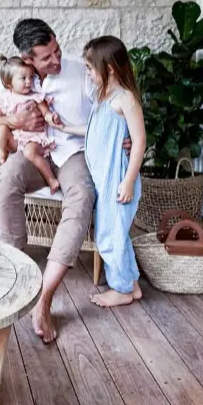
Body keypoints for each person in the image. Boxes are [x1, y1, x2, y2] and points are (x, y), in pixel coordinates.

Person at [0, 18, 100, 343]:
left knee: (83, 194)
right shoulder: (9, 76)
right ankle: (11, 269)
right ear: (27, 60)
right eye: (47, 58)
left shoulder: (79, 71)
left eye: (57, 50)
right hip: (31, 151)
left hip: (72, 151)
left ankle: (44, 297)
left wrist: (124, 135)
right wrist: (12, 119)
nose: (56, 60)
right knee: (7, 178)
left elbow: (107, 109)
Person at [56, 36, 145, 308]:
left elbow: (139, 141)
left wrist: (129, 181)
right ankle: (132, 285)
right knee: (116, 233)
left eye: (89, 68)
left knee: (109, 236)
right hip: (104, 180)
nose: (87, 73)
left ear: (109, 69)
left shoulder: (125, 99)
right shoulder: (102, 97)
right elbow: (95, 130)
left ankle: (121, 290)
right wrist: (65, 128)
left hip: (118, 179)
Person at [0, 54, 63, 193]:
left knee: (29, 153)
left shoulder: (35, 96)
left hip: (33, 139)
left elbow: (45, 112)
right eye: (23, 78)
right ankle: (2, 157)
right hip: (16, 139)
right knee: (1, 128)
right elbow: (0, 112)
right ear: (9, 83)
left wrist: (51, 117)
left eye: (31, 77)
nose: (29, 82)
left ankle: (50, 178)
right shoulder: (6, 97)